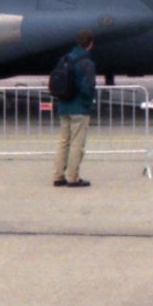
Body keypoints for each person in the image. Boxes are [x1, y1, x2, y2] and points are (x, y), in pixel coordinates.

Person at [52, 30, 98, 188]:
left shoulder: (65, 59)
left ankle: (58, 175)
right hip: (79, 107)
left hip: (64, 105)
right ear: (90, 44)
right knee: (77, 143)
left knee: (63, 142)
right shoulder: (87, 63)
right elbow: (87, 87)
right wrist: (90, 102)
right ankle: (73, 177)